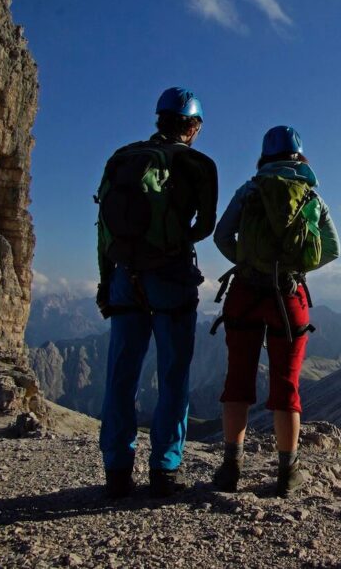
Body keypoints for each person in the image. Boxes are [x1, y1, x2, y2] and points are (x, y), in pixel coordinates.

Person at [95, 87, 218, 498]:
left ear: (159, 118)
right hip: (170, 278)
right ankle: (164, 469)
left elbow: (104, 228)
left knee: (121, 374)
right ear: (194, 126)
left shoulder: (122, 157)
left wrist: (104, 280)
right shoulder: (197, 163)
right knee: (173, 374)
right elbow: (205, 226)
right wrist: (175, 238)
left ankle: (116, 470)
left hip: (123, 277)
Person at [211, 125, 339, 496]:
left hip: (245, 293)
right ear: (300, 157)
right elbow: (333, 250)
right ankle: (288, 474)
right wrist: (295, 271)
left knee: (238, 380)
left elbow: (221, 236)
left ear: (265, 156)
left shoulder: (249, 190)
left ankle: (231, 468)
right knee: (287, 384)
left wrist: (248, 263)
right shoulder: (312, 196)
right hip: (289, 299)